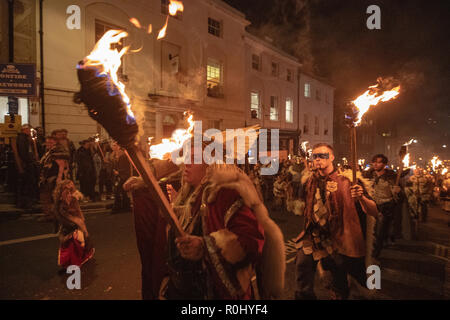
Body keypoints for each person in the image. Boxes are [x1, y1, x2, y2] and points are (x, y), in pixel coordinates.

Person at [123, 141, 285, 300]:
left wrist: (205, 246)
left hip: (213, 292)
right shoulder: (186, 193)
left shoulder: (227, 193)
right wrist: (144, 181)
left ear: (210, 164)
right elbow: (168, 168)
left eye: (194, 158)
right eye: (186, 157)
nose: (186, 163)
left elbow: (251, 239)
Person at [294, 143, 378, 300]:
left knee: (338, 280)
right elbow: (302, 209)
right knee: (302, 265)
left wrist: (361, 197)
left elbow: (374, 211)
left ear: (332, 157)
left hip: (339, 238)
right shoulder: (308, 182)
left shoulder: (349, 181)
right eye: (315, 156)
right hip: (313, 237)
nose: (318, 159)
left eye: (323, 155)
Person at [364, 154, 401, 258]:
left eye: (379, 162)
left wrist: (397, 191)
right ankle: (369, 251)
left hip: (385, 207)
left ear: (384, 164)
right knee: (370, 231)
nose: (375, 164)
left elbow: (399, 196)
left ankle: (376, 254)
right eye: (374, 162)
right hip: (370, 206)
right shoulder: (368, 175)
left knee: (379, 232)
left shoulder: (392, 177)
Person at [54, 179, 95, 268]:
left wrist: (81, 223)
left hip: (76, 224)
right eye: (66, 193)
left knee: (80, 243)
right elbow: (63, 218)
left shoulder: (73, 200)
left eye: (70, 192)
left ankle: (78, 259)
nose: (69, 195)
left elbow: (78, 213)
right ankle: (71, 262)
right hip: (68, 226)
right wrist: (75, 226)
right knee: (72, 245)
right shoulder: (60, 206)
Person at [15, 124, 39, 210]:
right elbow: (23, 152)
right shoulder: (22, 138)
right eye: (29, 130)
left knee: (29, 183)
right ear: (24, 130)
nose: (30, 131)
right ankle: (25, 203)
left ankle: (28, 201)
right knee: (26, 183)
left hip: (28, 163)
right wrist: (28, 161)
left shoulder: (27, 138)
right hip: (26, 164)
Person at [111, 141, 132, 212]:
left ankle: (118, 207)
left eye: (115, 146)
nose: (114, 147)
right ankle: (125, 207)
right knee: (122, 191)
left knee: (118, 191)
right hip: (121, 176)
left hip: (124, 176)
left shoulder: (123, 156)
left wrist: (118, 172)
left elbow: (125, 167)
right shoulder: (114, 155)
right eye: (113, 146)